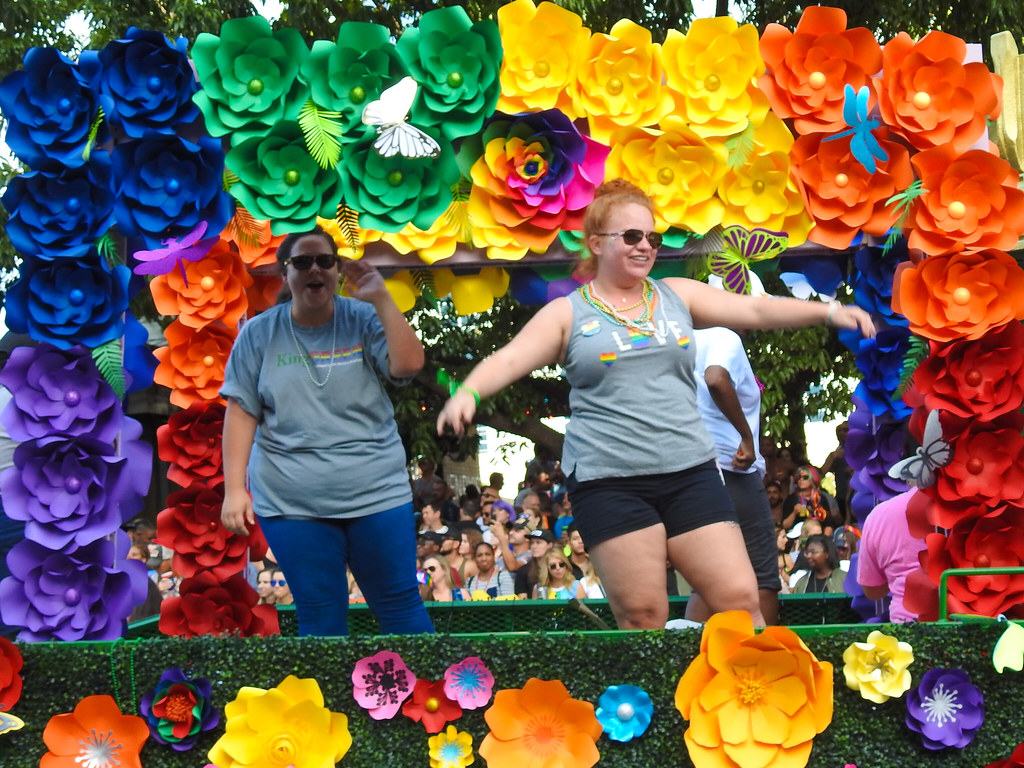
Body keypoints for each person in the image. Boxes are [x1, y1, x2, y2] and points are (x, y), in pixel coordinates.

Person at [436, 178, 874, 629]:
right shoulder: (569, 313)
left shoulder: (676, 295)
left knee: (742, 603)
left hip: (691, 473)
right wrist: (467, 394)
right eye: (631, 236)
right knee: (644, 617)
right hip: (611, 483)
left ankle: (734, 696)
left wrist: (827, 312)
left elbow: (755, 311)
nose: (645, 246)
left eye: (652, 237)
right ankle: (661, 700)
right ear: (595, 243)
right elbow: (510, 357)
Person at [220, 225, 433, 637]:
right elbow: (241, 411)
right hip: (292, 501)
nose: (314, 269)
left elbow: (407, 366)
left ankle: (426, 697)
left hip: (376, 494)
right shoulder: (259, 333)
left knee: (400, 606)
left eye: (324, 261)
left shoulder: (362, 317)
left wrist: (381, 297)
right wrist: (234, 489)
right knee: (320, 617)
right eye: (302, 262)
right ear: (285, 273)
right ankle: (326, 704)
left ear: (337, 270)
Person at [688, 324, 780, 625]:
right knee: (761, 576)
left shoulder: (675, 338)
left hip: (689, 472)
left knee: (709, 579)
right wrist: (747, 438)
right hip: (730, 471)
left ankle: (687, 664)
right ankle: (768, 661)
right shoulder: (722, 336)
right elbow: (716, 378)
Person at [857, 490, 925, 623]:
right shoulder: (975, 502)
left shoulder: (882, 514)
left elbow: (873, 590)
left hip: (908, 628)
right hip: (972, 624)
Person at [781, 466, 841, 533]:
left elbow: (828, 525)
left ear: (812, 479)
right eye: (799, 477)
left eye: (805, 477)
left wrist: (824, 539)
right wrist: (794, 513)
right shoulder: (791, 499)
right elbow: (785, 526)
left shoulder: (820, 498)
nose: (801, 480)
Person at [820, 420, 852, 522]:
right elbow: (820, 474)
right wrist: (832, 458)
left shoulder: (860, 451)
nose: (841, 433)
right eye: (839, 430)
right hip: (841, 497)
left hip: (856, 495)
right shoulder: (835, 454)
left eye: (845, 430)